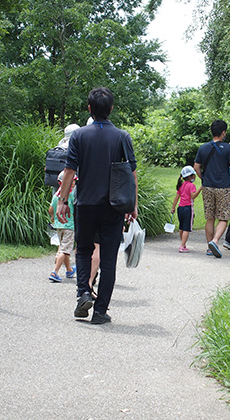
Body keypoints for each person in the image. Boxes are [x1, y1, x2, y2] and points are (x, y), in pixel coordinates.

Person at [57, 87, 137, 325]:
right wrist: (133, 204)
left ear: (89, 109)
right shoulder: (122, 136)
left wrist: (63, 200)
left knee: (83, 250)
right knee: (109, 257)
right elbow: (131, 172)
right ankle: (100, 312)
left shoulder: (79, 136)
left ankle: (83, 292)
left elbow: (69, 170)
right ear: (111, 109)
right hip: (114, 205)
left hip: (86, 203)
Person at [193, 120, 230, 259]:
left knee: (210, 217)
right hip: (223, 187)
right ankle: (215, 241)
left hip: (207, 186)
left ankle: (209, 247)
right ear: (223, 132)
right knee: (224, 217)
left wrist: (203, 178)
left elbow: (196, 167)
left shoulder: (203, 148)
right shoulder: (227, 148)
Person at [48, 171, 76, 282]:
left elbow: (50, 209)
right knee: (64, 251)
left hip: (59, 226)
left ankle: (69, 270)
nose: (74, 183)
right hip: (69, 226)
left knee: (65, 248)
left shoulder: (57, 196)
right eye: (74, 181)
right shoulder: (72, 195)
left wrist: (53, 218)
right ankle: (55, 272)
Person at [171, 165, 202, 253]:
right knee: (186, 228)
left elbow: (176, 198)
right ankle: (182, 246)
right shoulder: (191, 185)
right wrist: (200, 188)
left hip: (180, 208)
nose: (194, 177)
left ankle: (183, 244)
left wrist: (173, 208)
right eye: (193, 175)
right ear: (190, 176)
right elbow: (193, 196)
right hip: (188, 208)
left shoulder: (181, 185)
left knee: (181, 227)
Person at [45, 123, 80, 190]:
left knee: (56, 195)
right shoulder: (75, 146)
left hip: (56, 180)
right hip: (71, 182)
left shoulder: (59, 146)